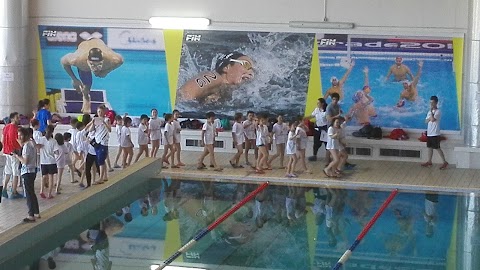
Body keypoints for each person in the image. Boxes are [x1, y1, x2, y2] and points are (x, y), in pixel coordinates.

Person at [60, 39, 124, 113]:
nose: (95, 68)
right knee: (87, 85)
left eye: (98, 65)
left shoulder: (112, 59)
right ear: (88, 61)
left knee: (96, 75)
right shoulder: (78, 60)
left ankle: (86, 93)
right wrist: (74, 79)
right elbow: (63, 62)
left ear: (102, 61)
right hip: (83, 48)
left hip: (99, 42)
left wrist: (106, 71)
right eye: (92, 65)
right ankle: (86, 97)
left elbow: (121, 61)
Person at [177, 52, 254, 103]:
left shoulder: (228, 91)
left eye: (253, 70)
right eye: (246, 65)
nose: (251, 72)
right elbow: (182, 95)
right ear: (227, 67)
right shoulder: (215, 77)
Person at [13, 127, 40, 222]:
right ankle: (36, 212)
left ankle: (31, 215)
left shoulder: (27, 146)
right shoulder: (31, 143)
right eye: (18, 135)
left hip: (27, 171)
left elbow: (25, 161)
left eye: (21, 135)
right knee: (32, 192)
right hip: (32, 171)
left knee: (28, 194)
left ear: (26, 135)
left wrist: (17, 156)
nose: (19, 137)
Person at [421, 96, 448, 170]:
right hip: (429, 132)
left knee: (437, 148)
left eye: (432, 103)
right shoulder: (429, 112)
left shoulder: (438, 111)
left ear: (436, 103)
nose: (431, 104)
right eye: (430, 103)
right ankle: (429, 161)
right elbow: (425, 121)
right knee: (429, 147)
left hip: (435, 133)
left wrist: (430, 116)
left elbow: (432, 119)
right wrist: (430, 117)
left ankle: (444, 162)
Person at [86, 105, 111, 182]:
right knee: (100, 160)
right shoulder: (95, 120)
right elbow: (90, 130)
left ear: (104, 112)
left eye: (101, 111)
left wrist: (104, 123)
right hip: (97, 141)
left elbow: (110, 130)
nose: (100, 113)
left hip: (103, 142)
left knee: (101, 160)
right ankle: (103, 176)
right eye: (98, 111)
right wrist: (93, 123)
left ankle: (101, 177)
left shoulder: (107, 120)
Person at [2, 112, 23, 199]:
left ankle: (4, 189)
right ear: (13, 118)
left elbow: (3, 139)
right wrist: (22, 145)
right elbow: (16, 140)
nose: (19, 119)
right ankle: (14, 191)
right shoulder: (15, 129)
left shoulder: (6, 127)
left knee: (8, 171)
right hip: (14, 153)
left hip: (7, 152)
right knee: (15, 173)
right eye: (17, 117)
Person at [36, 125, 59, 199]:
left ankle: (41, 190)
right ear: (52, 131)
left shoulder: (40, 139)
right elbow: (57, 152)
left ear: (45, 130)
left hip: (43, 161)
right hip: (51, 161)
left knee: (43, 177)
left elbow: (37, 148)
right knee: (51, 177)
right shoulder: (54, 141)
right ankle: (49, 194)